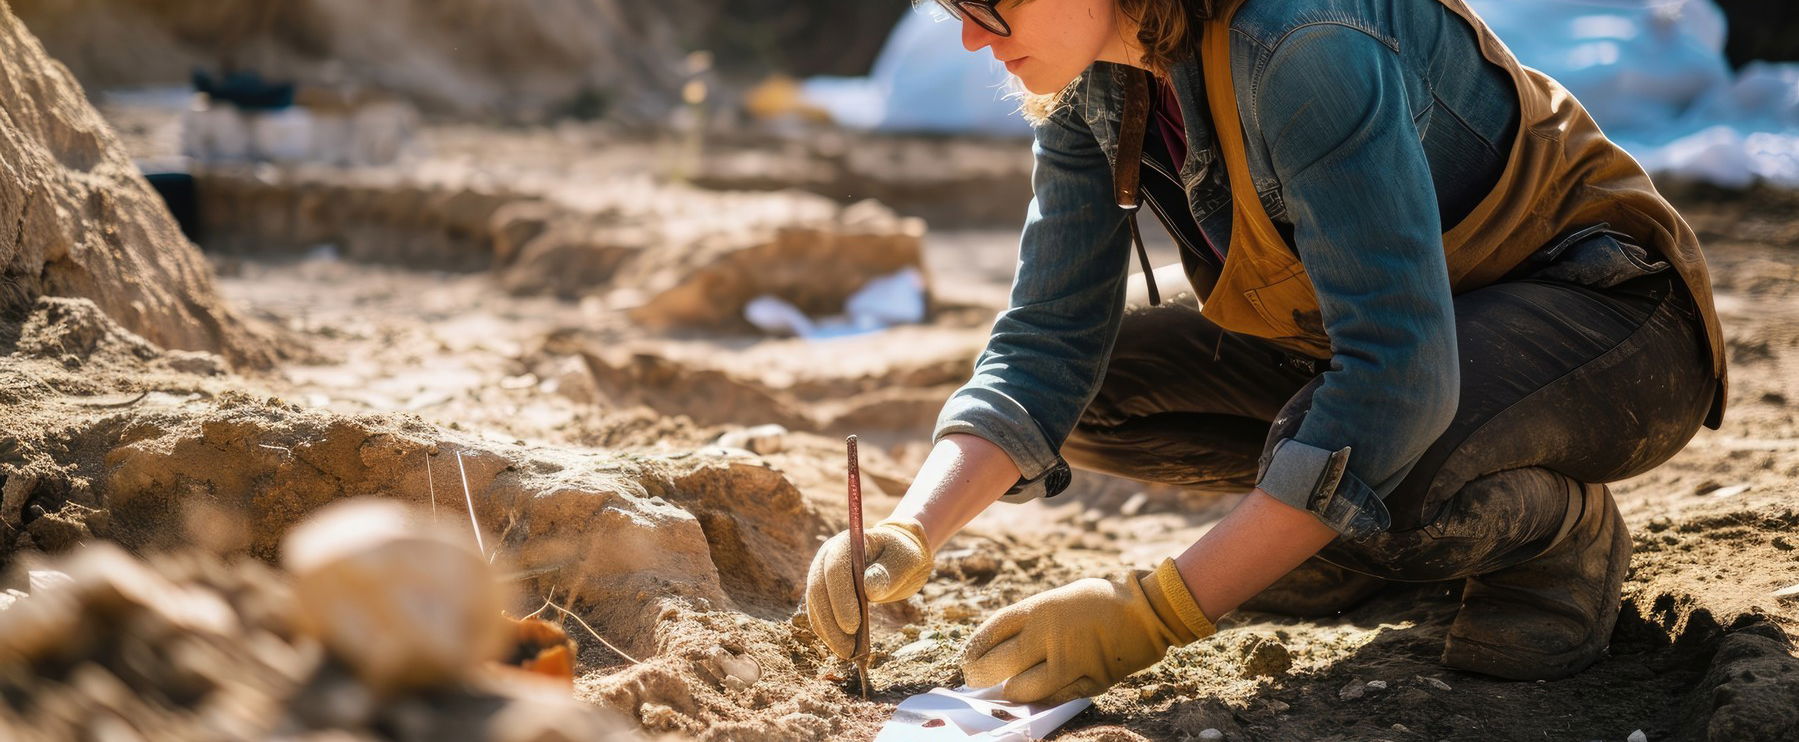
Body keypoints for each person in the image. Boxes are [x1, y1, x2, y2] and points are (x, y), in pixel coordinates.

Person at [804, 0, 1727, 705]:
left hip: (1610, 324)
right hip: (1409, 336)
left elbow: (1395, 383)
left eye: (989, 5)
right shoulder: (1094, 76)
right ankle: (1323, 543)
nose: (972, 38)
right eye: (954, 10)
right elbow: (1047, 340)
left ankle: (1554, 537)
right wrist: (907, 530)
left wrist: (1154, 612)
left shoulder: (1301, 42)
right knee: (1099, 393)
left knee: (1375, 463)